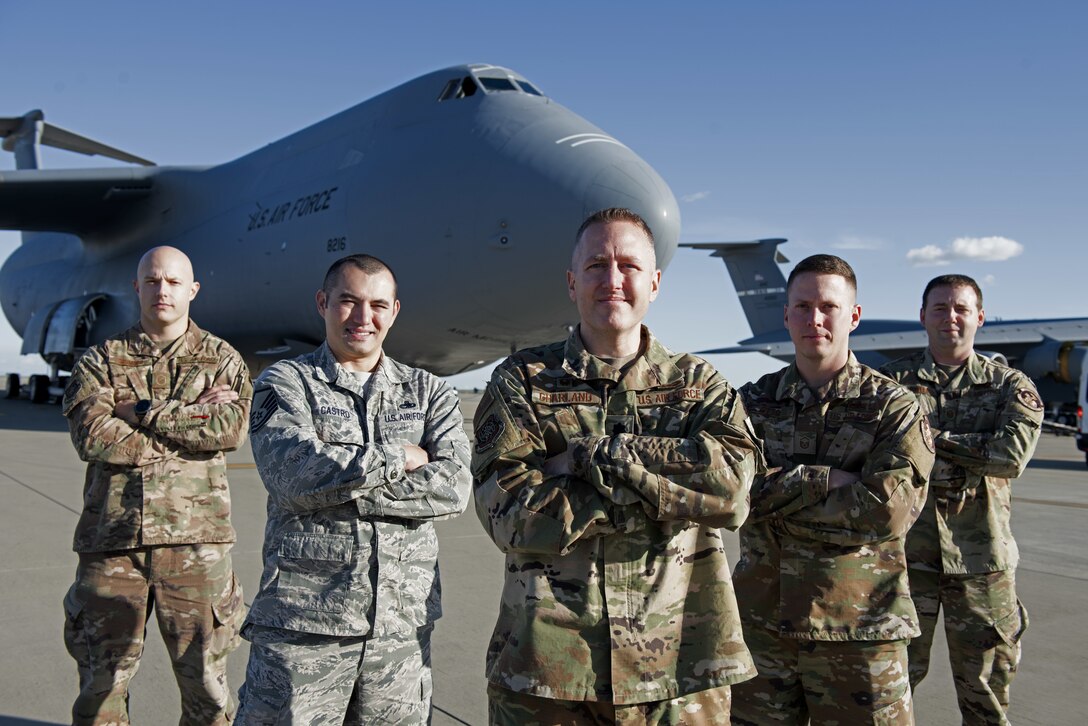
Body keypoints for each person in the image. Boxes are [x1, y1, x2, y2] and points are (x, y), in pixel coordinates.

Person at [471, 207, 763, 725]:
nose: (612, 280)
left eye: (628, 266)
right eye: (596, 266)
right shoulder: (522, 380)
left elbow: (733, 492)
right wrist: (665, 488)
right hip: (550, 672)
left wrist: (587, 458)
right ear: (571, 281)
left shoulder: (700, 384)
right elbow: (509, 514)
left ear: (654, 282)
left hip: (680, 671)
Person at [236, 254, 471, 724]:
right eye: (348, 301)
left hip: (399, 632)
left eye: (378, 305)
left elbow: (455, 488)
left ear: (395, 311)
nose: (364, 318)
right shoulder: (286, 382)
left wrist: (337, 486)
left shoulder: (428, 392)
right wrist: (398, 458)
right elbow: (293, 477)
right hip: (304, 631)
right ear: (323, 303)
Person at [731, 254, 933, 725]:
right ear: (785, 316)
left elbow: (887, 510)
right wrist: (829, 480)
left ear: (854, 316)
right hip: (763, 631)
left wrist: (772, 492)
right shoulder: (751, 402)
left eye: (828, 306)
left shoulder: (895, 407)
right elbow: (727, 491)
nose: (814, 319)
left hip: (860, 637)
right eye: (801, 306)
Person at [61, 246, 251, 725]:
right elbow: (94, 438)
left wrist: (142, 412)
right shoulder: (100, 360)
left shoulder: (222, 359)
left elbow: (228, 430)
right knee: (100, 692)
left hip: (197, 549)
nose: (161, 290)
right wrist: (189, 425)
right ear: (137, 287)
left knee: (208, 694)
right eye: (151, 281)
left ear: (193, 290)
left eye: (172, 281)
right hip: (113, 547)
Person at [880, 274, 1042, 725]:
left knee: (987, 693)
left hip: (982, 563)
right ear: (923, 317)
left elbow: (1009, 457)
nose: (950, 317)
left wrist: (929, 439)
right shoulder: (891, 385)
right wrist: (971, 447)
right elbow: (879, 454)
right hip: (906, 562)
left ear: (979, 318)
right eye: (939, 308)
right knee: (889, 689)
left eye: (961, 309)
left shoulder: (1010, 385)